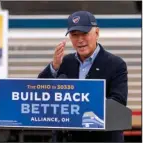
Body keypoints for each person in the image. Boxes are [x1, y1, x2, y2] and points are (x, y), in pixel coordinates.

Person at [38, 11, 128, 142]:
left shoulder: (116, 64)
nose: (80, 40)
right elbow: (38, 93)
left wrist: (79, 106)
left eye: (85, 34)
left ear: (97, 33)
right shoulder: (64, 62)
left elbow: (118, 103)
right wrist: (54, 67)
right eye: (74, 35)